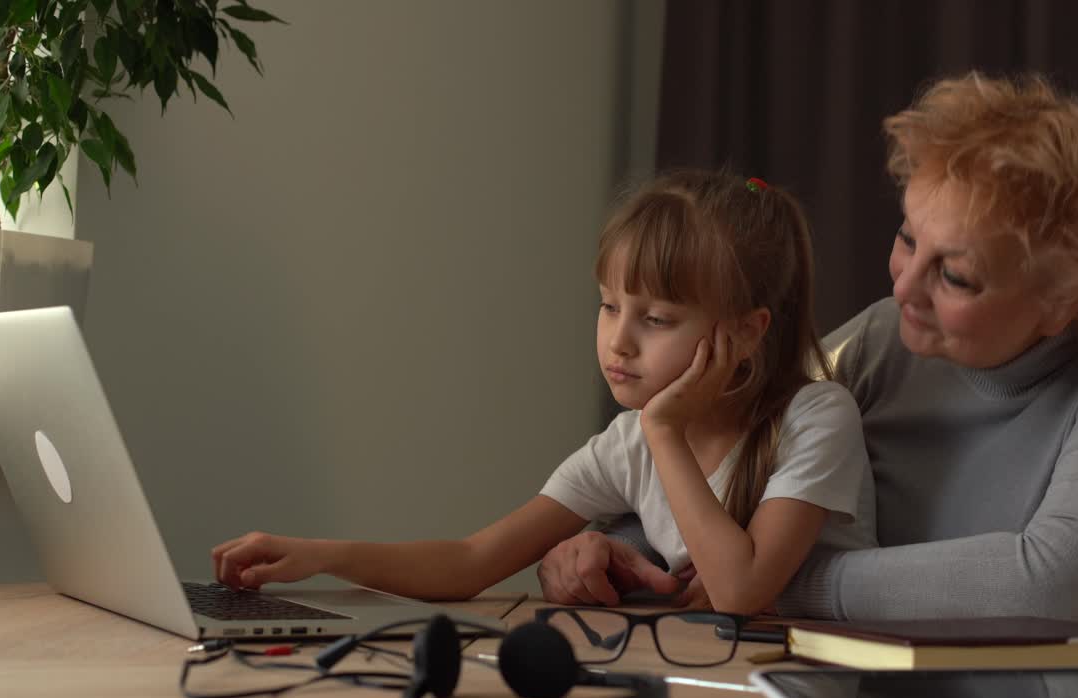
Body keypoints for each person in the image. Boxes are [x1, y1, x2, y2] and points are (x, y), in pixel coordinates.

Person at [537, 72, 1078, 661]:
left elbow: (1065, 591)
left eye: (955, 276)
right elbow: (730, 469)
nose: (902, 287)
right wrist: (604, 548)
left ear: (1064, 299)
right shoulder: (885, 336)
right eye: (906, 238)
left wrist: (787, 579)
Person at [212, 169, 875, 616]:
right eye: (609, 306)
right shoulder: (628, 445)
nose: (618, 342)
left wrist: (665, 431)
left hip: (793, 696)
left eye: (656, 319)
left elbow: (740, 591)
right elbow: (471, 562)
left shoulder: (815, 418)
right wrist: (319, 556)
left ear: (745, 333)